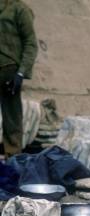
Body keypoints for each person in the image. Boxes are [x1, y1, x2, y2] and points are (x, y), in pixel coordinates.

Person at [0, 0, 38, 157]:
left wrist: (21, 73)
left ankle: (13, 158)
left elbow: (30, 43)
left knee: (12, 119)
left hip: (9, 70)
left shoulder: (20, 9)